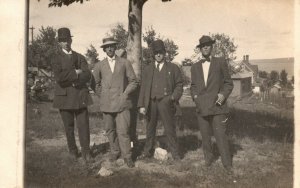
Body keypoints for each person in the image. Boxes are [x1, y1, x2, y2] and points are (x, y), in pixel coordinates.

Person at [190, 35, 234, 172]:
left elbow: (228, 83)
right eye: (203, 46)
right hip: (201, 107)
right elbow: (193, 86)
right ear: (200, 49)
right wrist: (195, 97)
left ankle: (227, 164)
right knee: (205, 136)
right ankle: (208, 160)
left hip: (218, 107)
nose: (205, 47)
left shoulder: (220, 62)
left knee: (220, 135)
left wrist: (223, 95)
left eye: (208, 45)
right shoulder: (195, 67)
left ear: (211, 47)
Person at [93, 37, 138, 168]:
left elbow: (133, 81)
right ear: (104, 49)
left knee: (123, 131)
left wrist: (125, 94)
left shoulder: (124, 62)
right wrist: (102, 95)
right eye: (107, 47)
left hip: (122, 103)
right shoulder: (99, 65)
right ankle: (114, 152)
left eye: (112, 46)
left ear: (115, 47)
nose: (110, 49)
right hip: (106, 104)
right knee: (110, 130)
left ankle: (127, 156)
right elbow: (94, 84)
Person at [51, 27, 93, 163]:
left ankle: (86, 152)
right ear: (59, 42)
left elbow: (87, 75)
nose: (66, 43)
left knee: (84, 126)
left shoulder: (79, 57)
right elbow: (59, 77)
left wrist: (76, 81)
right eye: (63, 41)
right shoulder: (56, 59)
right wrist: (76, 73)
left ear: (71, 40)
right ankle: (73, 151)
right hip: (64, 98)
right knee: (68, 127)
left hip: (80, 96)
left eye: (67, 39)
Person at [137, 39, 183, 160]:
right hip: (151, 103)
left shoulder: (173, 68)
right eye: (156, 52)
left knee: (169, 128)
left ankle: (176, 154)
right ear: (153, 54)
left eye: (160, 52)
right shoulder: (147, 69)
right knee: (150, 129)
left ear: (164, 53)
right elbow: (143, 88)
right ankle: (147, 152)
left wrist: (172, 97)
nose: (158, 55)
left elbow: (179, 85)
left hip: (166, 102)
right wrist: (142, 105)